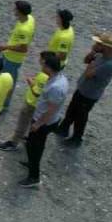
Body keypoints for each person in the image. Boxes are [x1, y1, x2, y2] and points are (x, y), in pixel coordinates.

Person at [57, 30, 112, 145]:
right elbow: (85, 60)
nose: (95, 45)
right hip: (82, 88)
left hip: (90, 94)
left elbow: (88, 74)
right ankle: (63, 129)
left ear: (105, 47)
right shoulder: (100, 54)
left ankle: (77, 138)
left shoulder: (110, 64)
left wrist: (91, 64)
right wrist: (92, 53)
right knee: (71, 110)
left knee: (81, 117)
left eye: (98, 44)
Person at [21, 53, 67, 188]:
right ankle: (31, 163)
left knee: (33, 147)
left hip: (44, 122)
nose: (41, 66)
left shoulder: (56, 87)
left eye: (43, 64)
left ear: (48, 67)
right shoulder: (58, 78)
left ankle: (33, 177)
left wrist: (38, 124)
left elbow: (51, 109)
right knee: (35, 144)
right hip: (45, 119)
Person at [0, 51, 51, 152]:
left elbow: (36, 92)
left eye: (40, 59)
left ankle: (14, 143)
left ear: (44, 61)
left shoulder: (44, 76)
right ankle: (27, 139)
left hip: (31, 104)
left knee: (22, 124)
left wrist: (31, 82)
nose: (39, 60)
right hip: (36, 105)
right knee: (28, 124)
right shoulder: (49, 76)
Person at [0, 0, 36, 95]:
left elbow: (24, 48)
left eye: (15, 9)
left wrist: (5, 47)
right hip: (11, 57)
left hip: (12, 58)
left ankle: (4, 103)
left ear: (19, 12)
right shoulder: (30, 18)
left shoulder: (24, 29)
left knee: (7, 82)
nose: (13, 10)